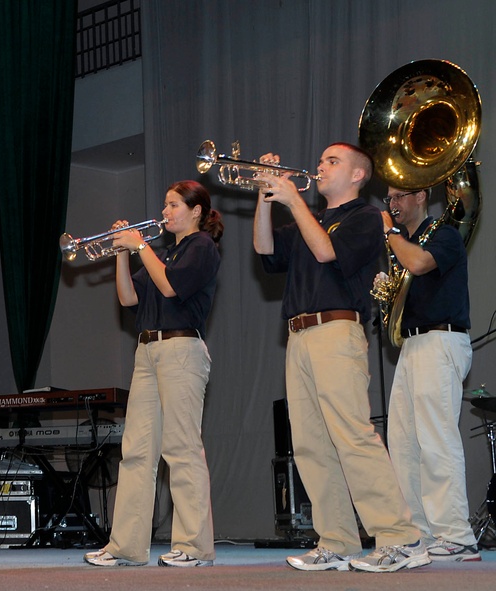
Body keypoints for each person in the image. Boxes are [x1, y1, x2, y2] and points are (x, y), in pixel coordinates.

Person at [253, 144, 427, 573]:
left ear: (357, 175)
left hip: (336, 330)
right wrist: (264, 195)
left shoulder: (365, 217)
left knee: (353, 436)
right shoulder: (309, 219)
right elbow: (264, 250)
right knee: (310, 445)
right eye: (322, 160)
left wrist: (293, 199)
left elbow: (327, 253)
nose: (320, 166)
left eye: (333, 161)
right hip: (298, 335)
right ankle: (338, 540)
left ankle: (401, 538)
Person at [83, 180, 222, 568]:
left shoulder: (201, 248)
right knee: (137, 452)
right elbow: (128, 298)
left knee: (181, 448)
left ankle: (195, 547)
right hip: (146, 350)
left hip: (181, 349)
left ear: (196, 212)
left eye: (174, 205)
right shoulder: (163, 253)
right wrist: (121, 253)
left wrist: (140, 246)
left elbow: (171, 288)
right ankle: (126, 546)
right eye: (165, 205)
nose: (165, 212)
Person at [377, 185, 477, 561]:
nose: (393, 204)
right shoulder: (407, 241)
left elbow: (418, 264)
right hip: (413, 344)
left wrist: (389, 233)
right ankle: (418, 531)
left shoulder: (444, 233)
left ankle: (457, 534)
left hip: (441, 339)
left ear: (421, 196)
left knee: (436, 440)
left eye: (401, 196)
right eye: (389, 198)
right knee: (403, 444)